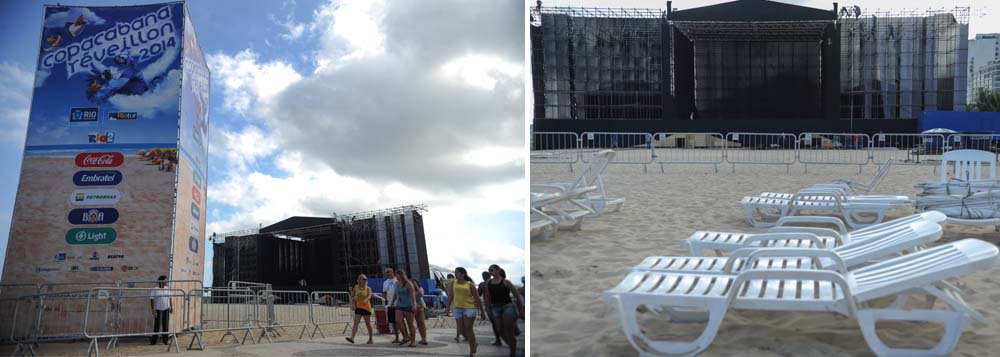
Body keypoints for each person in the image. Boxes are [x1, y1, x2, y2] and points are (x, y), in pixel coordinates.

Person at [485, 265, 525, 357]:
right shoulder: (488, 282)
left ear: (498, 270)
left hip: (507, 306)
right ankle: (512, 346)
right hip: (495, 307)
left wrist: (520, 310)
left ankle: (512, 352)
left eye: (491, 270)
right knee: (500, 330)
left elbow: (517, 296)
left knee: (509, 331)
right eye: (489, 270)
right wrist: (487, 308)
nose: (490, 271)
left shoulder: (506, 282)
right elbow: (487, 296)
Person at [447, 267, 483, 356]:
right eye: (455, 272)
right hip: (457, 308)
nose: (455, 274)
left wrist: (482, 311)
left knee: (468, 328)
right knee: (461, 329)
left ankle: (472, 351)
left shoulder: (469, 284)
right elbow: (451, 295)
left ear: (463, 274)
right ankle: (474, 343)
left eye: (457, 272)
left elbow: (477, 297)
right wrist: (447, 307)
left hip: (469, 308)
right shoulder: (453, 283)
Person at [346, 274, 374, 344]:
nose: (365, 280)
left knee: (368, 324)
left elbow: (369, 296)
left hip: (366, 308)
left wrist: (366, 300)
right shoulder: (356, 287)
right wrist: (353, 296)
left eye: (366, 279)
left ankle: (371, 339)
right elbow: (352, 296)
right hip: (358, 307)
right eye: (363, 279)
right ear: (359, 280)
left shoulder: (368, 288)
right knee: (356, 323)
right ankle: (352, 338)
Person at [393, 269, 418, 347]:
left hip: (408, 305)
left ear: (400, 275)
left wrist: (414, 304)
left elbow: (413, 295)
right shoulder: (397, 283)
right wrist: (392, 302)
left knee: (410, 323)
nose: (395, 276)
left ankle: (413, 341)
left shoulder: (408, 284)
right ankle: (405, 337)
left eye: (396, 275)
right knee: (398, 321)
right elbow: (395, 293)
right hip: (399, 305)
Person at [479, 271, 502, 346]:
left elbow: (478, 294)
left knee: (495, 323)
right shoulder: (496, 282)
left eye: (483, 275)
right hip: (497, 304)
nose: (483, 277)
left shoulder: (482, 284)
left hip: (490, 306)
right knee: (497, 323)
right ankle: (499, 339)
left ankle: (498, 339)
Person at [149, 275, 173, 345]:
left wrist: (172, 306)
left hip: (166, 308)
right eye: (165, 280)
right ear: (161, 281)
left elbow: (170, 298)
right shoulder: (155, 289)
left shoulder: (167, 288)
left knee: (165, 325)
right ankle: (153, 341)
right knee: (157, 325)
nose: (166, 282)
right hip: (158, 309)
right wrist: (153, 309)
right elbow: (152, 299)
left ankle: (165, 341)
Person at [383, 268, 400, 343]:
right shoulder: (385, 282)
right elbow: (384, 292)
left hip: (398, 304)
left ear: (392, 272)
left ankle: (406, 336)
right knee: (393, 321)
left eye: (388, 272)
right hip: (390, 304)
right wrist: (384, 298)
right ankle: (397, 338)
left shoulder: (397, 280)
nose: (387, 273)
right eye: (386, 272)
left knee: (400, 321)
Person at [411, 277, 428, 345]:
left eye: (414, 283)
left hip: (421, 306)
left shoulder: (420, 288)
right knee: (418, 322)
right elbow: (413, 296)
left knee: (422, 322)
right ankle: (422, 338)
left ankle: (424, 338)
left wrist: (416, 286)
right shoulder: (410, 289)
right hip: (414, 307)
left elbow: (421, 294)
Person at [446, 273, 461, 342]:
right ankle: (458, 336)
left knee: (462, 323)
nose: (449, 279)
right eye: (448, 278)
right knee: (459, 322)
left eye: (449, 277)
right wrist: (448, 306)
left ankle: (464, 335)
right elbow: (450, 294)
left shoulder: (455, 283)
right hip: (455, 305)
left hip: (461, 304)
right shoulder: (452, 283)